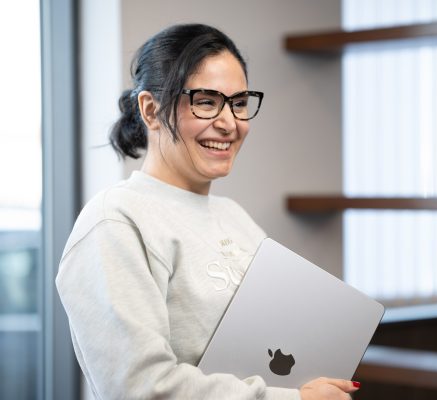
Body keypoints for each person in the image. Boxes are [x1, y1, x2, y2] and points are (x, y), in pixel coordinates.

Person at [55, 23, 361, 400]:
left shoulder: (233, 216)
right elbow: (139, 388)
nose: (229, 123)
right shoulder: (115, 221)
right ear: (151, 110)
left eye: (239, 102)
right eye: (206, 101)